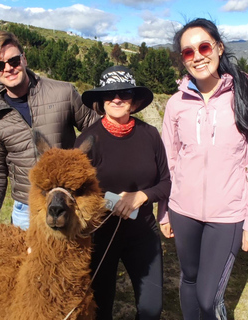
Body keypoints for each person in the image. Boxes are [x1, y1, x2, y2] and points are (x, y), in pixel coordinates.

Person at [158, 18, 248, 320]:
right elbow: (167, 162)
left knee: (209, 299)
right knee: (188, 279)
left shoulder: (247, 98)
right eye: (188, 52)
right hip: (183, 211)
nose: (197, 56)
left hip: (228, 216)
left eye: (204, 46)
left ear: (219, 48)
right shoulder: (175, 104)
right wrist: (164, 211)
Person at [0, 31, 98, 236]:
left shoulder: (63, 93)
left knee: (73, 265)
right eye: (0, 65)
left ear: (24, 58)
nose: (9, 69)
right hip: (26, 210)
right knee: (33, 267)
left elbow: (97, 131)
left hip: (70, 203)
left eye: (13, 60)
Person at [75, 65, 171, 320]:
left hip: (143, 233)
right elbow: (77, 193)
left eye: (124, 93)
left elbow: (166, 182)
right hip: (101, 235)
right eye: (109, 94)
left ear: (134, 100)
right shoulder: (87, 140)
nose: (117, 99)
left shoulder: (150, 135)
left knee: (151, 309)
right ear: (101, 101)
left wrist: (140, 196)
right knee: (101, 308)